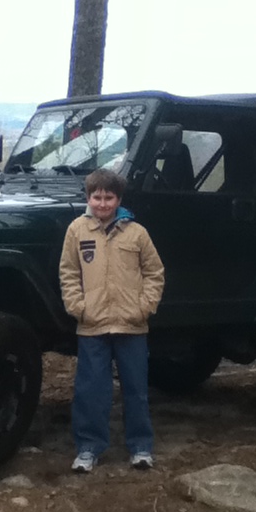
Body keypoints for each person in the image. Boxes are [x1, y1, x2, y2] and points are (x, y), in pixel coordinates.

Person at [59, 168, 165, 473]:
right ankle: (88, 448)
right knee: (91, 389)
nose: (102, 203)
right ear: (88, 197)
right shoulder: (77, 231)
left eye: (109, 197)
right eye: (97, 197)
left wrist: (144, 307)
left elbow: (154, 272)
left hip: (131, 324)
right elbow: (68, 272)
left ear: (118, 199)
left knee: (136, 388)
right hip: (92, 324)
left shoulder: (136, 233)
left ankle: (141, 447)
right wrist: (78, 307)